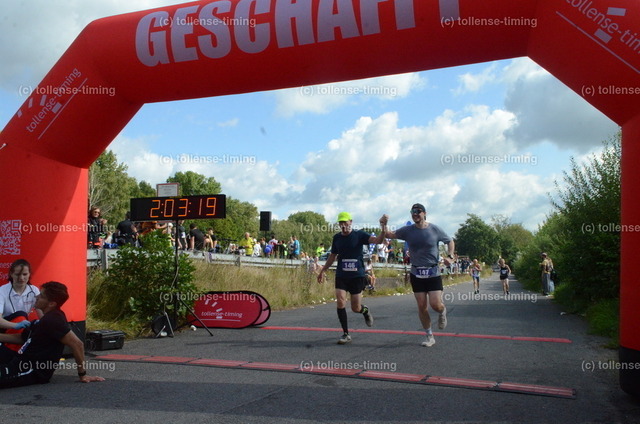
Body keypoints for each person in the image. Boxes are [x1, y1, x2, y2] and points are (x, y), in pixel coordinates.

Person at [0, 281, 105, 388]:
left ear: (51, 304)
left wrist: (82, 375)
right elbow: (22, 338)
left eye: (41, 296)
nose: (36, 297)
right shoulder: (46, 318)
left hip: (30, 369)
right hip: (18, 359)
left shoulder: (53, 320)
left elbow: (77, 344)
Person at [381, 203, 454, 347]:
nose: (415, 214)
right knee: (421, 306)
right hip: (416, 272)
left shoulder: (435, 229)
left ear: (424, 213)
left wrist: (450, 256)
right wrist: (383, 224)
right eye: (412, 212)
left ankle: (442, 311)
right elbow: (389, 235)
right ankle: (429, 336)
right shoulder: (407, 230)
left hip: (432, 272)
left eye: (418, 211)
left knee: (435, 304)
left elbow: (450, 241)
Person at [317, 212, 386, 344]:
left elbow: (378, 241)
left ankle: (365, 311)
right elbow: (332, 256)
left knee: (355, 308)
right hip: (342, 275)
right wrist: (323, 270)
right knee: (340, 301)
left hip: (357, 276)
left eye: (345, 222)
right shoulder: (337, 238)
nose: (343, 225)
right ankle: (346, 334)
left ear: (351, 222)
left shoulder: (359, 235)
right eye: (341, 223)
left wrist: (383, 228)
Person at [0, 260, 41, 349]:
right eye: (17, 274)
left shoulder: (34, 290)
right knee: (20, 315)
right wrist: (15, 325)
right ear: (11, 274)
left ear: (29, 274)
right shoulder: (2, 291)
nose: (21, 278)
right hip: (5, 327)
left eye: (25, 274)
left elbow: (41, 314)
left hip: (23, 328)